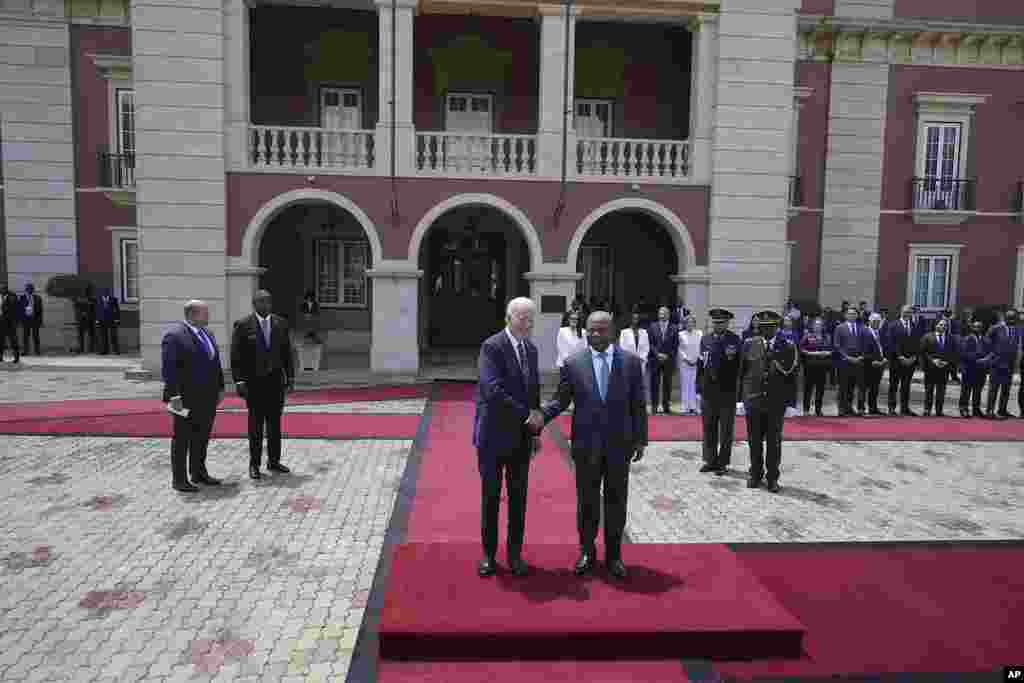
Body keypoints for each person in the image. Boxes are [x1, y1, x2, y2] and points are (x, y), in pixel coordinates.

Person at [541, 310, 647, 579]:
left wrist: (640, 439)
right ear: (586, 330)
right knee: (587, 502)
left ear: (612, 332)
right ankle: (587, 551)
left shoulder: (631, 363)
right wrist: (539, 417)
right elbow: (561, 400)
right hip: (586, 446)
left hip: (618, 445)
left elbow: (638, 404)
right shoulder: (573, 363)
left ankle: (614, 556)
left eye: (602, 329)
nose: (597, 334)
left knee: (616, 501)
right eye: (593, 330)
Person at [473, 297, 542, 578]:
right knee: (491, 497)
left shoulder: (532, 349)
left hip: (521, 438)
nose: (528, 323)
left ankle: (514, 554)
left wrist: (535, 429)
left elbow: (534, 393)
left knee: (518, 498)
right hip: (493, 436)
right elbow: (492, 390)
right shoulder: (492, 346)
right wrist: (525, 415)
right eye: (523, 317)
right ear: (509, 317)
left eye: (531, 319)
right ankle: (489, 556)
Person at [161, 300, 226, 493]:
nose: (208, 316)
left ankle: (198, 472)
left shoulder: (208, 333)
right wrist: (174, 396)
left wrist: (220, 387)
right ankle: (179, 479)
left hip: (207, 396)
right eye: (205, 313)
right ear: (193, 314)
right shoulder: (175, 336)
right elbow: (168, 369)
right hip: (183, 398)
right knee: (181, 438)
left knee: (202, 436)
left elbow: (215, 363)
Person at [230, 289, 295, 480]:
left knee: (275, 425)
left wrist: (290, 378)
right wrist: (239, 380)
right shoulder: (243, 325)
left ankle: (274, 462)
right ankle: (254, 464)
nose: (266, 304)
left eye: (268, 301)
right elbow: (236, 356)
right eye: (261, 301)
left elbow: (287, 354)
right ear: (254, 304)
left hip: (276, 384)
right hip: (254, 385)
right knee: (255, 426)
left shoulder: (280, 323)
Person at [738, 311, 798, 492]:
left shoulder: (787, 346)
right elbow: (742, 374)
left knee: (774, 442)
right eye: (763, 327)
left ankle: (772, 477)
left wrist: (791, 404)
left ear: (776, 327)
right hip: (754, 400)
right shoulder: (749, 344)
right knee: (754, 441)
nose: (766, 330)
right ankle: (755, 473)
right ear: (758, 327)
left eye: (770, 327)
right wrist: (740, 400)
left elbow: (792, 378)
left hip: (775, 402)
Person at [698, 309, 742, 475]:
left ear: (727, 323)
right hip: (708, 391)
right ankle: (710, 460)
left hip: (727, 392)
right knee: (708, 428)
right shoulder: (705, 339)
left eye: (722, 322)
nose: (718, 325)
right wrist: (698, 387)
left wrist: (738, 393)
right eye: (716, 322)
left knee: (725, 431)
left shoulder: (734, 340)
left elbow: (738, 367)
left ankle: (722, 462)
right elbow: (701, 365)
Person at [982, 309, 1017, 419]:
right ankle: (990, 411)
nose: (1013, 320)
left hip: (1009, 364)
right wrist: (992, 355)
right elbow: (986, 341)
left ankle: (1002, 410)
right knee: (994, 388)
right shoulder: (996, 328)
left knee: (1006, 389)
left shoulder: (1015, 329)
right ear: (1005, 318)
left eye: (1014, 318)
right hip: (996, 364)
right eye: (1010, 318)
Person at [919, 318, 956, 417]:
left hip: (944, 369)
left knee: (941, 391)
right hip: (930, 368)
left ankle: (939, 410)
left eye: (945, 325)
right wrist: (932, 361)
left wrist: (947, 362)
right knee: (929, 390)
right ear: (935, 325)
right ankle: (927, 409)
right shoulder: (927, 337)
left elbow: (953, 353)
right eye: (940, 324)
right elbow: (923, 352)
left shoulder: (951, 338)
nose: (943, 327)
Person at [888, 305, 920, 416]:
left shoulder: (915, 326)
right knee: (894, 385)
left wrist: (914, 357)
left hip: (910, 362)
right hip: (896, 360)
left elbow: (917, 343)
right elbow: (891, 343)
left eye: (910, 312)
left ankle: (905, 408)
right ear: (901, 312)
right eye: (906, 311)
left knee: (906, 386)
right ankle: (891, 408)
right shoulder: (893, 325)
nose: (908, 314)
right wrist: (900, 356)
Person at [833, 306, 864, 416]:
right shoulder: (840, 328)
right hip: (844, 361)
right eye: (849, 313)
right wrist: (846, 356)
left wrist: (861, 356)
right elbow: (837, 345)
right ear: (845, 315)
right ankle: (841, 408)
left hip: (858, 361)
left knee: (852, 386)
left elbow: (865, 344)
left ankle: (849, 407)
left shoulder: (862, 328)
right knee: (843, 386)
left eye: (854, 314)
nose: (852, 315)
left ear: (857, 315)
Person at [647, 306, 679, 414]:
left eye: (665, 313)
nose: (662, 315)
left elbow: (675, 345)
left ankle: (666, 407)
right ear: (658, 314)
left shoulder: (674, 327)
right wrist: (657, 354)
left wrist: (667, 355)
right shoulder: (652, 326)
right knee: (654, 384)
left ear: (668, 315)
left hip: (668, 360)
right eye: (661, 313)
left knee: (667, 384)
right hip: (655, 360)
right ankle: (654, 407)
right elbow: (650, 343)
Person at [799, 318, 832, 416]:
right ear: (813, 326)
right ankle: (806, 409)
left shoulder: (827, 337)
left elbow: (832, 349)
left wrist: (827, 353)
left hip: (822, 366)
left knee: (820, 389)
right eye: (816, 325)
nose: (818, 326)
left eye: (820, 325)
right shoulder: (807, 336)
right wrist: (811, 353)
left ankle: (818, 409)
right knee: (808, 388)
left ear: (822, 326)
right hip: (810, 366)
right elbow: (801, 349)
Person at [860, 313, 888, 416]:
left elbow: (883, 347)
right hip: (867, 365)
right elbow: (862, 350)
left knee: (875, 388)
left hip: (880, 364)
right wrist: (872, 360)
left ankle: (873, 408)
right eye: (874, 321)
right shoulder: (864, 332)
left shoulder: (880, 333)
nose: (876, 323)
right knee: (864, 388)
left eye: (878, 321)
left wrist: (884, 359)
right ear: (869, 321)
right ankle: (861, 409)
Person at [958, 319, 987, 418]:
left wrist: (986, 359)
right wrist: (978, 358)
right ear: (972, 328)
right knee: (966, 391)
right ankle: (963, 408)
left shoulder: (985, 340)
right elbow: (964, 354)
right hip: (969, 369)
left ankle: (976, 409)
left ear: (982, 328)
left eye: (979, 327)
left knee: (977, 391)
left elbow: (990, 352)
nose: (977, 328)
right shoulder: (966, 339)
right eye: (975, 326)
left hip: (981, 369)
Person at [619, 309, 650, 399]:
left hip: (640, 362)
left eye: (637, 319)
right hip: (629, 363)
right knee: (628, 384)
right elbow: (622, 348)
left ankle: (639, 404)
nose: (635, 320)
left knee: (640, 385)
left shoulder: (644, 332)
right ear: (630, 320)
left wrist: (641, 357)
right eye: (633, 318)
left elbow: (646, 347)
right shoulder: (624, 332)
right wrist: (631, 358)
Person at [677, 315, 702, 415]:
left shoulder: (699, 333)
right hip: (685, 363)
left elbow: (701, 347)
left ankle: (694, 406)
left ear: (695, 323)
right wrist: (686, 359)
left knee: (694, 385)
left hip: (696, 362)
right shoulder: (680, 334)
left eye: (692, 322)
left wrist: (697, 359)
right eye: (688, 322)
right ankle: (685, 407)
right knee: (685, 384)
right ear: (685, 324)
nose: (690, 324)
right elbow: (679, 349)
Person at [18, 283, 43, 355]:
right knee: (25, 336)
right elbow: (19, 310)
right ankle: (25, 351)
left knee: (36, 336)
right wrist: (20, 320)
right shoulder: (22, 298)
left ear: (33, 290)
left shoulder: (37, 298)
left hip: (35, 319)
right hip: (26, 320)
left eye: (31, 289)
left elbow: (40, 310)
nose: (29, 290)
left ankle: (37, 351)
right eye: (28, 289)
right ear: (26, 290)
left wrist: (40, 320)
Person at [95, 288, 121, 355]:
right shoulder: (98, 300)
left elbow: (117, 310)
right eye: (104, 292)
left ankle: (115, 350)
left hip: (111, 320)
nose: (105, 293)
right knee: (103, 336)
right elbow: (96, 310)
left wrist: (117, 319)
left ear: (109, 293)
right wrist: (97, 319)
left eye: (107, 292)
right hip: (101, 320)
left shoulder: (114, 299)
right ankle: (103, 351)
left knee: (113, 336)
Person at [0, 285, 20, 363]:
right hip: (1, 322)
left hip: (10, 322)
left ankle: (16, 357)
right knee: (1, 341)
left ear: (6, 289)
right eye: (1, 289)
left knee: (13, 341)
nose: (2, 290)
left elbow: (14, 308)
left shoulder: (12, 296)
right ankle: (0, 357)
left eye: (3, 289)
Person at [74, 285, 97, 354]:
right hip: (81, 319)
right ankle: (82, 348)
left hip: (90, 319)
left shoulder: (92, 299)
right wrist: (81, 314)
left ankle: (91, 349)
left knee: (91, 335)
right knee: (81, 335)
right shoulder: (78, 299)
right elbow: (76, 308)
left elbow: (94, 309)